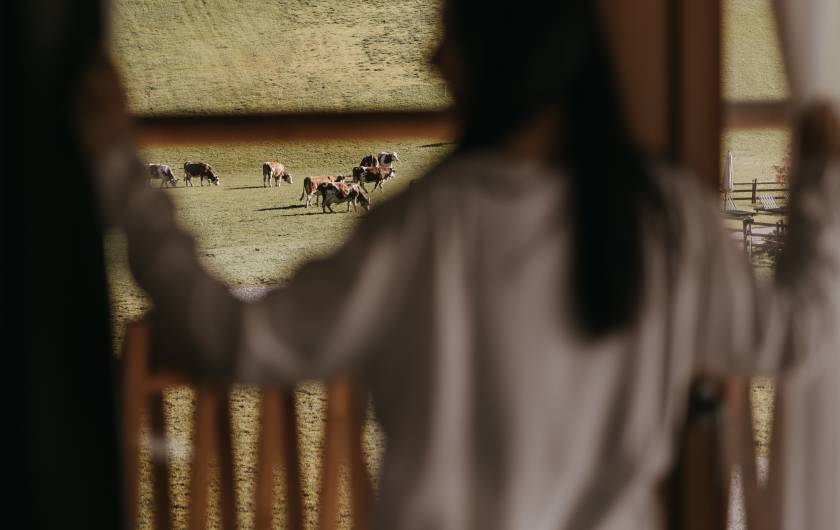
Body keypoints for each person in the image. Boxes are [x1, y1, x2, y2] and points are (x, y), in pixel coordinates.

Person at [77, 1, 840, 528]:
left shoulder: (433, 232)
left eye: (453, 29)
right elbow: (799, 331)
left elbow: (234, 341)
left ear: (503, 53)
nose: (432, 55)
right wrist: (819, 181)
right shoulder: (671, 220)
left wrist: (121, 176)